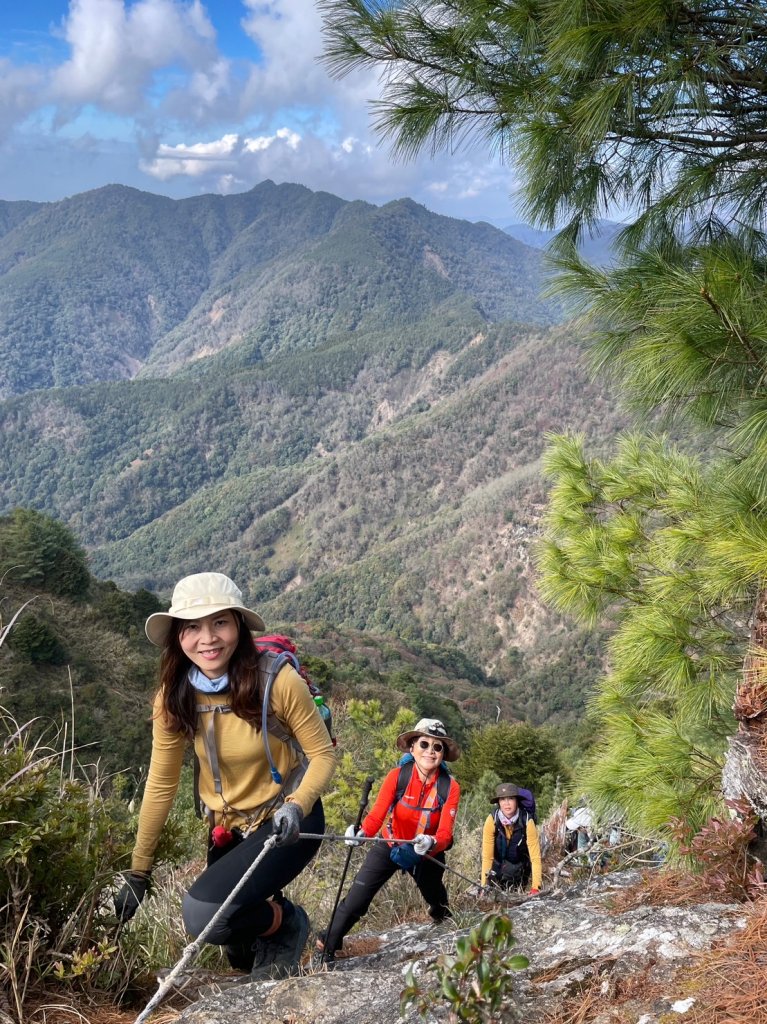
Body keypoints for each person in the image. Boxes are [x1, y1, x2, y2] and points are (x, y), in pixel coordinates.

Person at [113, 572, 337, 980]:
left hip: (288, 821)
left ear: (239, 625)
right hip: (228, 829)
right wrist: (138, 871)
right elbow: (162, 784)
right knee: (237, 951)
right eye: (192, 627)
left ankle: (287, 922)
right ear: (177, 637)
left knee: (204, 917)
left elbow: (322, 755)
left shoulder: (277, 681)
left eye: (220, 622)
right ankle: (271, 926)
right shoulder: (174, 694)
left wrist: (297, 805)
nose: (208, 639)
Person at [319, 718, 461, 963]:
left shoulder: (450, 787)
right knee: (356, 900)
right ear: (412, 748)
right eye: (424, 744)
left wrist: (431, 843)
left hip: (425, 851)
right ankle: (328, 945)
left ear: (443, 755)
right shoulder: (398, 776)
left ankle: (442, 916)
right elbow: (377, 814)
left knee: (434, 895)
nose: (430, 751)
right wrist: (361, 833)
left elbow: (446, 834)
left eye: (437, 747)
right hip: (390, 843)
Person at [481, 783, 542, 895]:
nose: (507, 803)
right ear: (498, 802)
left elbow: (535, 858)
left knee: (514, 898)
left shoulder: (527, 821)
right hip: (497, 866)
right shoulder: (492, 820)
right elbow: (487, 857)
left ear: (517, 801)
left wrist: (535, 888)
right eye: (503, 799)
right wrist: (484, 885)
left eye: (511, 798)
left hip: (519, 869)